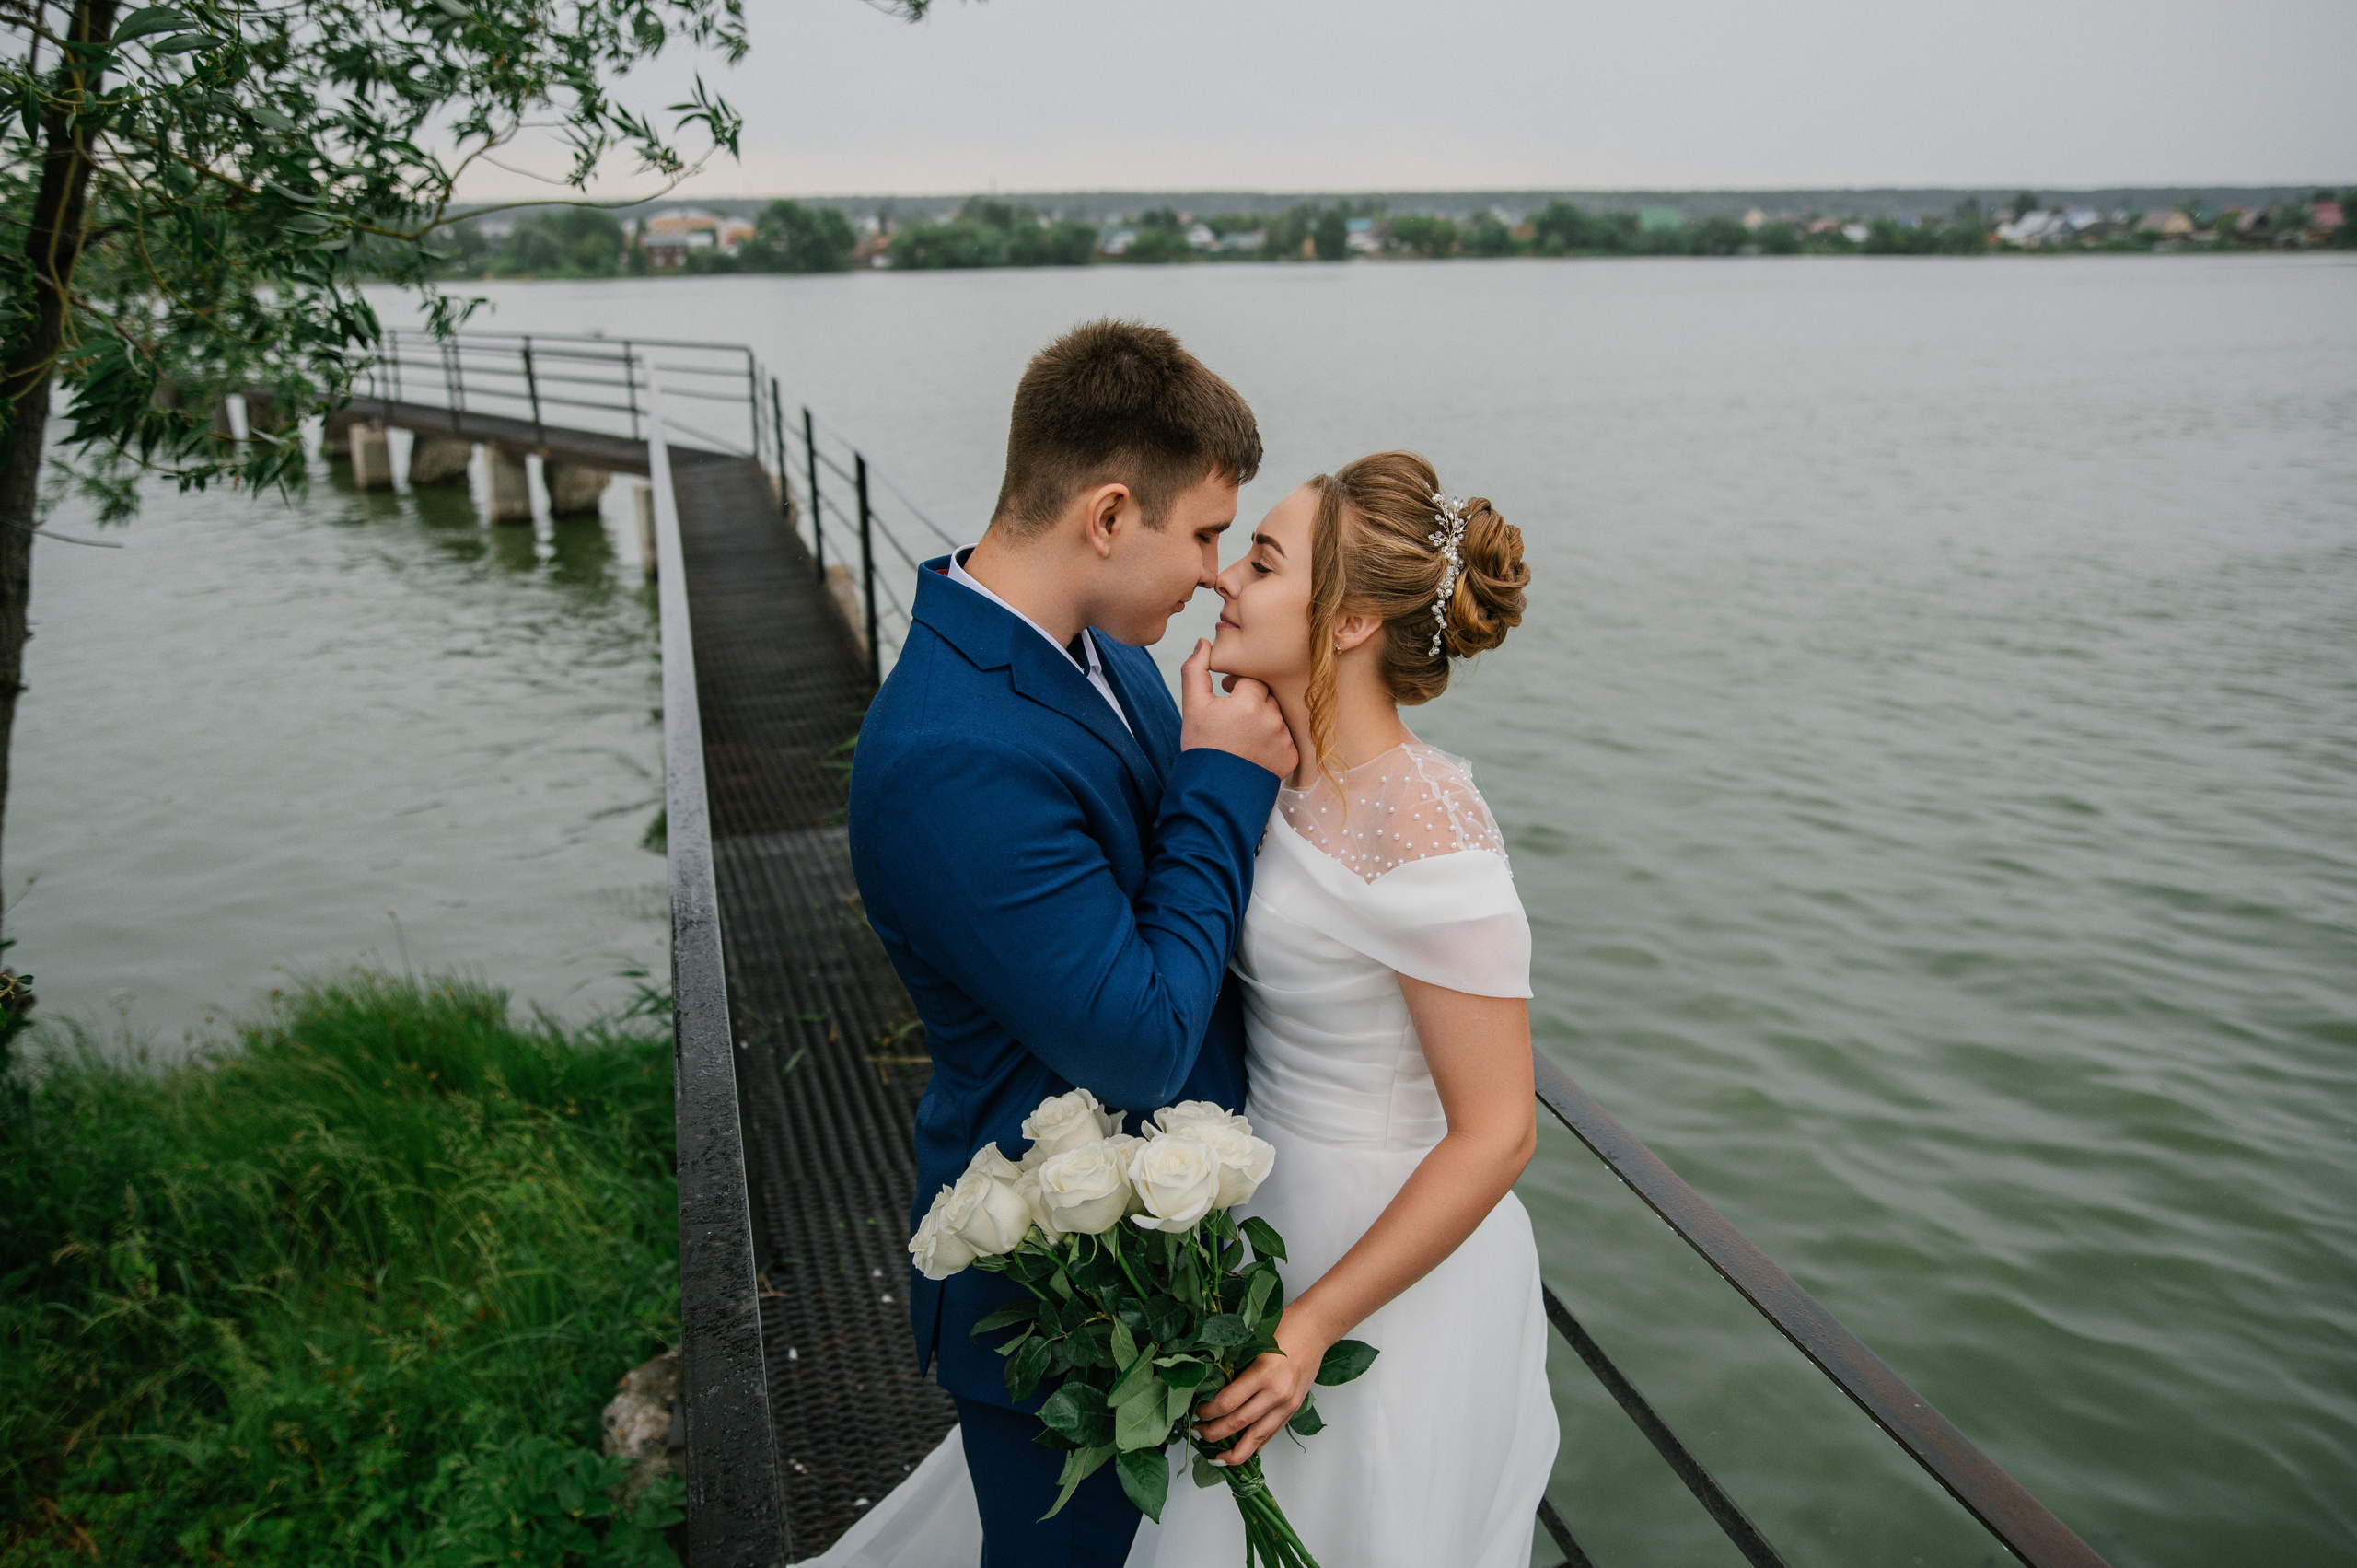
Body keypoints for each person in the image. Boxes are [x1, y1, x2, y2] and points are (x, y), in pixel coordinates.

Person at [843, 319, 1297, 1568]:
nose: (1217, 574)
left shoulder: (1102, 648)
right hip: (1061, 1311)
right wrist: (1221, 776)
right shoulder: (950, 756)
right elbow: (1141, 1041)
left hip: (1167, 1265)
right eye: (1205, 533)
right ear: (1108, 516)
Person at [1125, 450, 1554, 1567]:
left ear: (1352, 618)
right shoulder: (1279, 765)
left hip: (1382, 1265)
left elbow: (1500, 1127)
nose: (1224, 581)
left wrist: (1308, 1324)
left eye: (1261, 561)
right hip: (1267, 1207)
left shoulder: (1426, 821)